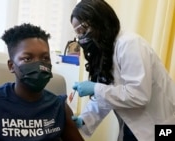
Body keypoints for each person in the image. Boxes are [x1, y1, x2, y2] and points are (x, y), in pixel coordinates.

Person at [0, 23, 84, 141]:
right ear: (11, 66)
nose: (39, 65)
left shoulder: (59, 107)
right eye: (27, 59)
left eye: (45, 58)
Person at [70, 0, 175, 141]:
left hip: (161, 126)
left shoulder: (130, 44)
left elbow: (138, 95)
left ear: (99, 20)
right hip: (134, 126)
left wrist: (95, 88)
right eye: (78, 33)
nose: (82, 38)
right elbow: (106, 97)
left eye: (83, 30)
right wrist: (84, 119)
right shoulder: (105, 53)